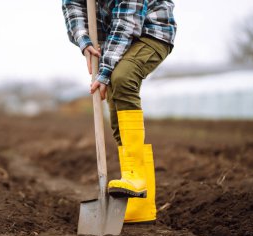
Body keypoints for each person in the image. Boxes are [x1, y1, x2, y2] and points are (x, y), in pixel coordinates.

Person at [62, 0, 177, 223]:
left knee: (122, 78)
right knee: (115, 102)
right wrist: (84, 41)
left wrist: (104, 72)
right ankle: (139, 206)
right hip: (112, 40)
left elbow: (126, 23)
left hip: (151, 31)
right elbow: (72, 6)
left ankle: (135, 176)